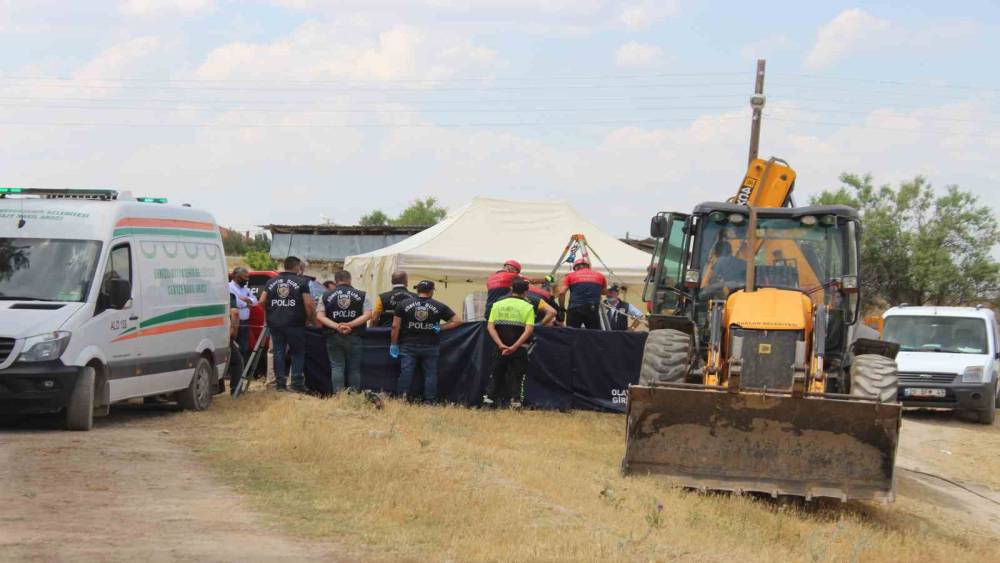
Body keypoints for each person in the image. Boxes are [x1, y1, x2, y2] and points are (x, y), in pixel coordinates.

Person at [390, 280, 462, 403]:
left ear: (417, 290)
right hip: (430, 345)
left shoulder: (403, 304)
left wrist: (393, 344)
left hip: (408, 344)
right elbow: (458, 321)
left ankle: (401, 399)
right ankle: (430, 400)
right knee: (430, 374)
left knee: (406, 373)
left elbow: (395, 326)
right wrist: (441, 327)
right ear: (431, 291)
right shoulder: (439, 306)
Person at [258, 256, 316, 392]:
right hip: (295, 323)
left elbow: (261, 301)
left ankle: (280, 384)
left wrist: (271, 312)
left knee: (278, 352)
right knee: (297, 352)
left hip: (275, 324)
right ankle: (296, 383)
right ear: (296, 267)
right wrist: (311, 320)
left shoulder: (271, 281)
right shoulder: (302, 282)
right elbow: (309, 304)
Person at [484, 279, 537, 409]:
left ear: (511, 289)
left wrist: (500, 344)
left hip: (500, 348)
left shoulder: (497, 304)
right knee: (517, 375)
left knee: (496, 374)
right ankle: (516, 402)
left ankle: (489, 401)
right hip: (519, 348)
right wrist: (515, 346)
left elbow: (490, 327)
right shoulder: (528, 307)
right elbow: (529, 330)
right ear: (526, 292)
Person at [317, 270, 372, 393]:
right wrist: (350, 325)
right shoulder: (363, 295)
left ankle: (339, 397)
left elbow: (320, 316)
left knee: (337, 367)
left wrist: (337, 326)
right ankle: (354, 397)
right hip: (355, 335)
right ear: (350, 280)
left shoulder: (325, 296)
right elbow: (368, 315)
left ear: (336, 281)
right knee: (354, 369)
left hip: (333, 335)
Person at [557, 257, 607, 329]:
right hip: (592, 308)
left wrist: (561, 308)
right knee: (593, 334)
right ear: (588, 266)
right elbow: (604, 292)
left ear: (576, 267)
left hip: (574, 308)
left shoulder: (570, 276)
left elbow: (561, 293)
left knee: (571, 333)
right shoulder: (600, 276)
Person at [228, 267, 257, 361]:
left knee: (244, 347)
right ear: (236, 277)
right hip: (235, 322)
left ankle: (242, 368)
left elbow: (255, 301)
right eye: (244, 277)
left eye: (247, 277)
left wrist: (247, 300)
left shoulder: (246, 289)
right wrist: (246, 304)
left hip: (245, 322)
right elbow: (236, 302)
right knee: (235, 348)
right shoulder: (229, 287)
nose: (247, 279)